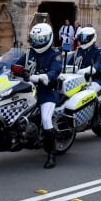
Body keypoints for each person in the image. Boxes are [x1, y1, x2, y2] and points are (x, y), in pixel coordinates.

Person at [16, 23, 62, 169]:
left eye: (41, 38)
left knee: (46, 119)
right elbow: (15, 64)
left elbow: (55, 71)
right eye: (35, 38)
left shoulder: (55, 54)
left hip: (47, 91)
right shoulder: (30, 53)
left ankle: (52, 154)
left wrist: (42, 77)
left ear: (49, 38)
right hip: (28, 90)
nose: (38, 41)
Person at [69, 26, 101, 93]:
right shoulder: (78, 51)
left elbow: (98, 64)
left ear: (92, 38)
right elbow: (69, 64)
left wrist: (87, 70)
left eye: (85, 38)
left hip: (94, 80)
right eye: (81, 38)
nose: (83, 40)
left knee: (86, 94)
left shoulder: (99, 52)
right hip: (77, 80)